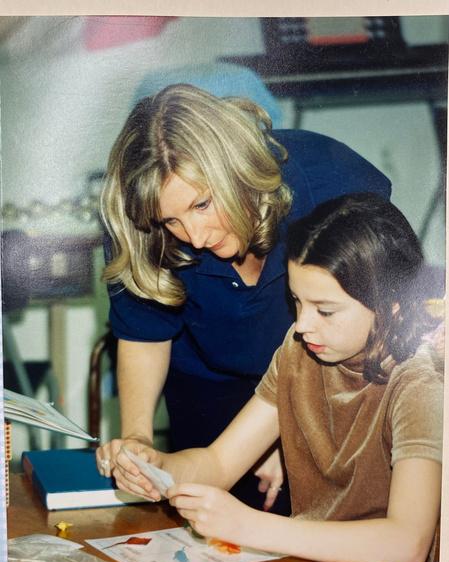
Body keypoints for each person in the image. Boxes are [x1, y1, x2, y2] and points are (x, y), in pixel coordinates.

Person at [110, 192, 443, 562]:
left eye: (325, 310)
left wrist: (247, 526)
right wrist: (154, 465)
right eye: (296, 302)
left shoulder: (419, 384)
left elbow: (407, 544)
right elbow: (219, 463)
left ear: (390, 306)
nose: (302, 324)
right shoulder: (298, 351)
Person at [96, 83, 392, 514]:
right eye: (170, 221)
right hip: (212, 391)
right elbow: (145, 336)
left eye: (202, 204)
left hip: (326, 380)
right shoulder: (141, 231)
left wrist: (294, 430)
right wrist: (140, 442)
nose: (195, 237)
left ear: (236, 171)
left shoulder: (328, 178)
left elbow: (383, 310)